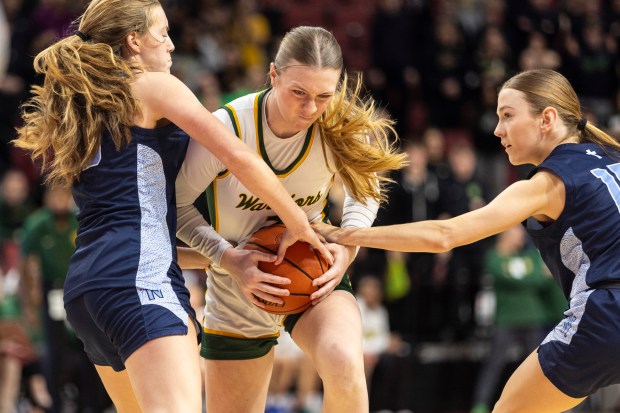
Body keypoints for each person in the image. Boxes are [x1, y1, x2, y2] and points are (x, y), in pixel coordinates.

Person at [12, 1, 332, 412]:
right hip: (138, 282)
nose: (171, 44)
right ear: (133, 41)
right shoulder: (149, 85)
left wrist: (226, 259)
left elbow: (139, 227)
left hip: (89, 289)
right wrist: (298, 222)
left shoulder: (90, 105)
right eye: (162, 33)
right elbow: (237, 156)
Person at [313, 68, 620, 412]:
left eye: (507, 116)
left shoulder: (547, 184)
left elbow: (445, 235)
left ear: (546, 119)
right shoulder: (613, 158)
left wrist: (344, 232)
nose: (497, 129)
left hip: (606, 315)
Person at [175, 25, 406, 413]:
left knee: (344, 363)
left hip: (312, 270)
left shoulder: (339, 124)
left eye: (323, 96)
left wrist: (346, 251)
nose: (310, 108)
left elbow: (364, 193)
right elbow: (177, 207)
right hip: (239, 282)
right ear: (273, 74)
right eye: (298, 92)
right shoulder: (228, 126)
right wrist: (227, 258)